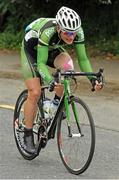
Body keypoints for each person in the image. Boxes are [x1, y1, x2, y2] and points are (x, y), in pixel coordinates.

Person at [21, 6, 103, 154]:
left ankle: (55, 105)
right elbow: (40, 63)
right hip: (31, 50)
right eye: (67, 32)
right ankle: (27, 133)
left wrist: (92, 79)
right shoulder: (48, 31)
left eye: (74, 33)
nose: (71, 37)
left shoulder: (77, 32)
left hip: (51, 48)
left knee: (68, 70)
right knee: (35, 92)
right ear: (58, 28)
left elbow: (83, 59)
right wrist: (49, 79)